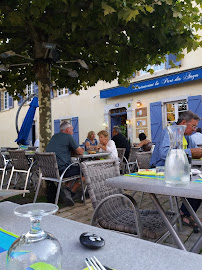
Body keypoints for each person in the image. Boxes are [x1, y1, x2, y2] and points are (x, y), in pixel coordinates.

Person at [150, 110, 202, 229]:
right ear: (184, 123)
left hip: (178, 170)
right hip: (160, 169)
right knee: (193, 182)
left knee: (199, 180)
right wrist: (190, 152)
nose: (195, 129)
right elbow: (164, 153)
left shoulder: (187, 137)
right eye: (193, 126)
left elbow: (195, 151)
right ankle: (186, 214)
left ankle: (187, 213)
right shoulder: (169, 131)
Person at [46, 121, 84, 206]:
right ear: (67, 130)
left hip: (49, 171)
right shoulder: (68, 137)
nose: (73, 132)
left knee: (71, 166)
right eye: (72, 130)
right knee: (84, 169)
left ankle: (66, 190)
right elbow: (80, 152)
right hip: (62, 171)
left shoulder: (54, 137)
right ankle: (70, 191)